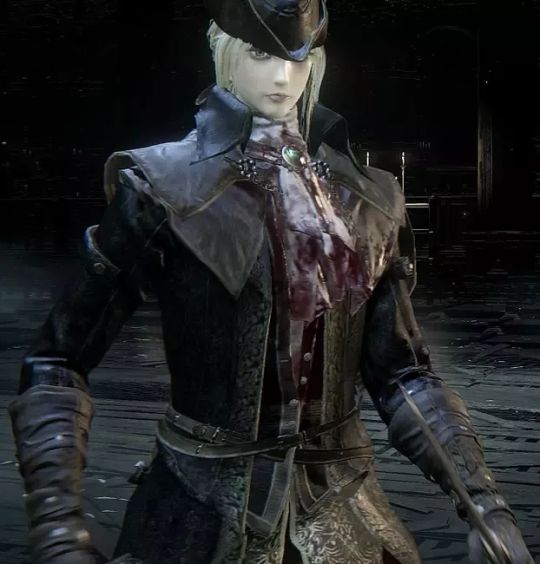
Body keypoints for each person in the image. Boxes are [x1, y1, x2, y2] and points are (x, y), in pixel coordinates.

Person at [8, 1, 533, 563]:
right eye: (261, 54)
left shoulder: (366, 200)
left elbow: (404, 374)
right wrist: (58, 531)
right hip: (197, 513)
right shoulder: (161, 185)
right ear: (226, 53)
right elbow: (58, 360)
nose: (283, 76)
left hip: (345, 514)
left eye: (297, 57)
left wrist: (484, 504)